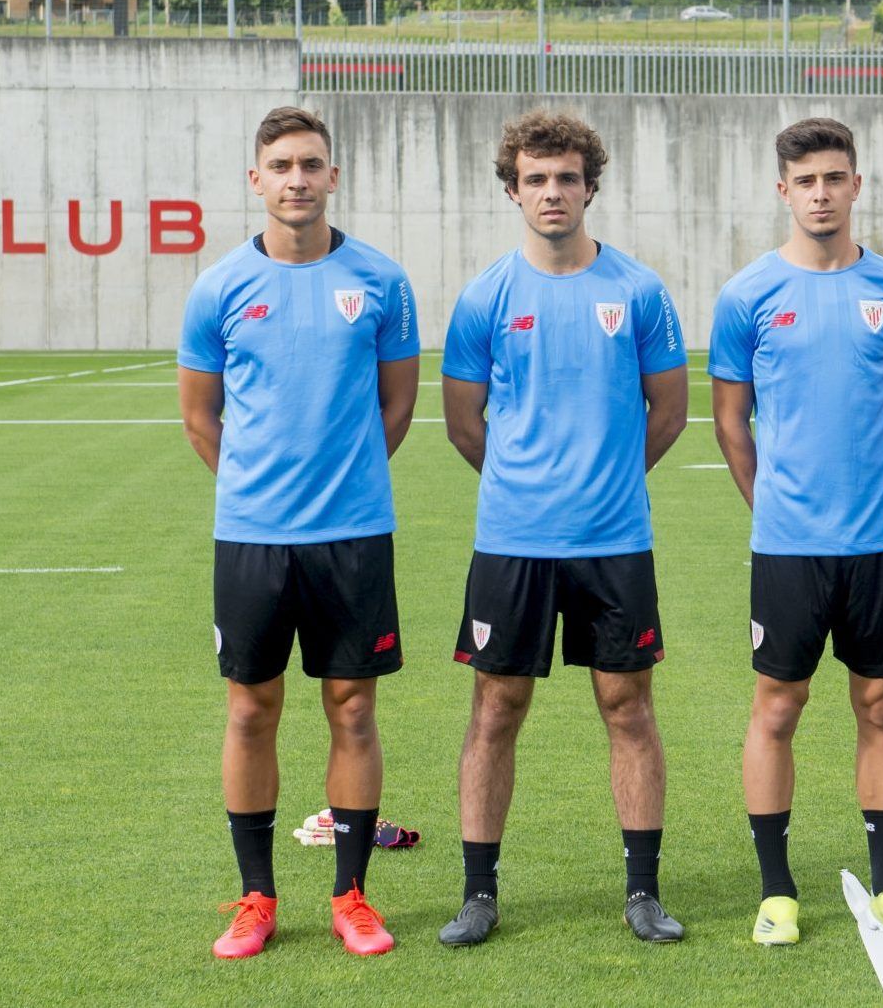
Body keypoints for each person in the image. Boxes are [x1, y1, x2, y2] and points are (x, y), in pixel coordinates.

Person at [437, 109, 690, 947]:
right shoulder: (485, 296)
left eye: (567, 179)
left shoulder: (639, 291)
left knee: (628, 706)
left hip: (614, 542)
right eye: (536, 179)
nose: (553, 192)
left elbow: (669, 411)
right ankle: (478, 894)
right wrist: (526, 487)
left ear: (590, 188)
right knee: (496, 707)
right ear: (513, 191)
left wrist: (607, 482)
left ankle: (643, 892)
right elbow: (464, 423)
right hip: (512, 541)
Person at [179, 105, 420, 959]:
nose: (296, 179)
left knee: (353, 708)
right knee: (251, 708)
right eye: (280, 165)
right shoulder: (218, 287)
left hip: (354, 534)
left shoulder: (382, 281)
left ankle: (351, 895)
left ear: (333, 176)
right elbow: (200, 418)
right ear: (256, 180)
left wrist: (340, 485)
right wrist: (260, 493)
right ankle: (256, 898)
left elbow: (397, 405)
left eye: (311, 164)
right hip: (252, 537)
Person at [710, 117, 883, 947]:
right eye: (805, 181)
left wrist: (861, 489)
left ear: (856, 184)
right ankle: (777, 893)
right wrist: (774, 504)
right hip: (788, 546)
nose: (820, 194)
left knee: (881, 705)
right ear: (784, 190)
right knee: (779, 705)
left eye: (834, 178)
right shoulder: (746, 295)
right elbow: (731, 423)